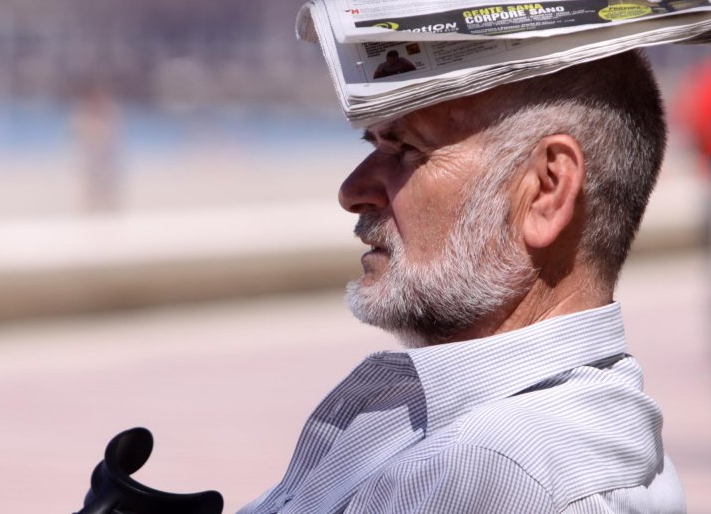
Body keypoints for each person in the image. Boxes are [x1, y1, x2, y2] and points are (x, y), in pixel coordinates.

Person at [240, 49, 682, 513]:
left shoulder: (496, 466)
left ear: (546, 189)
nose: (353, 192)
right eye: (373, 146)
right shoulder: (563, 429)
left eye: (408, 149)